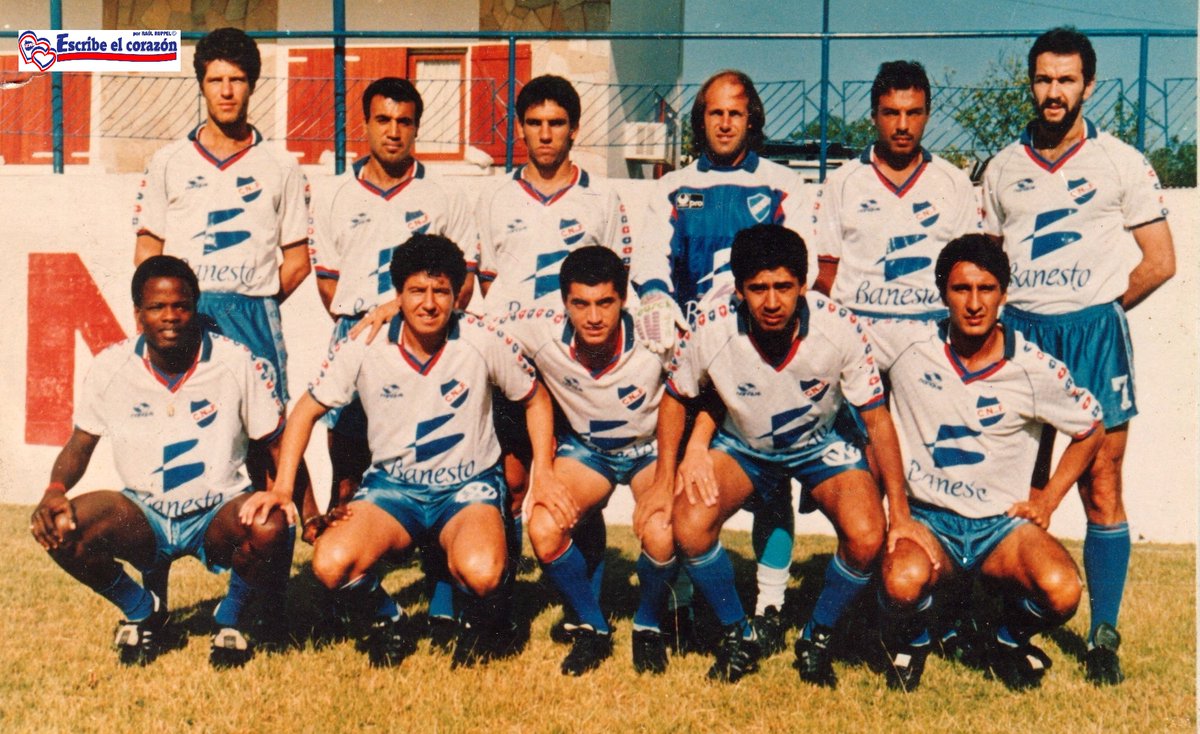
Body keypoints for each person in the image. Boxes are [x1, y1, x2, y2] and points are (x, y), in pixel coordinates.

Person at [981, 26, 1175, 685]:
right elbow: (985, 265)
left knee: (1100, 482)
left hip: (1093, 333)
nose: (1054, 91)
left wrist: (1102, 312)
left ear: (1088, 85)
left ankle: (1103, 633)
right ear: (1030, 84)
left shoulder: (1121, 161)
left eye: (1067, 79)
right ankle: (1003, 621)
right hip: (1024, 336)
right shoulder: (1002, 167)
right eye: (1043, 79)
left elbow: (1160, 263)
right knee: (1021, 485)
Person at [266, 234, 561, 668]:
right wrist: (283, 488)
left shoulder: (480, 338)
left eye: (440, 291)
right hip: (393, 490)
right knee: (329, 563)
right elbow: (306, 410)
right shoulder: (366, 342)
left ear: (457, 294)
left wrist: (546, 474)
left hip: (467, 488)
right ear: (398, 295)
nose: (428, 303)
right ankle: (390, 622)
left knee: (481, 571)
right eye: (416, 291)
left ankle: (485, 622)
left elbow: (534, 398)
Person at [650, 224, 927, 684]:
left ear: (802, 285)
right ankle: (740, 634)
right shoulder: (713, 327)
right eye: (758, 289)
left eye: (783, 287)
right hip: (745, 445)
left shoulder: (838, 326)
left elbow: (877, 419)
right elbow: (676, 397)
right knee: (690, 524)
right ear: (739, 290)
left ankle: (816, 635)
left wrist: (898, 510)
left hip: (820, 444)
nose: (772, 301)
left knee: (866, 533)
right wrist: (668, 477)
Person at [29, 255, 295, 669]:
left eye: (181, 305)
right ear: (138, 315)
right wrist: (53, 491)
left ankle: (230, 621)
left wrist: (301, 507)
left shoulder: (235, 361)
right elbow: (80, 443)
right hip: (144, 514)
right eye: (156, 307)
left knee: (269, 522)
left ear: (195, 306)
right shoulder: (111, 366)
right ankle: (143, 611)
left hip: (216, 512)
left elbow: (275, 443)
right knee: (60, 527)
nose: (170, 317)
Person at [869, 235, 1104, 691]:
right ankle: (914, 641)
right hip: (929, 521)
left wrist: (1050, 499)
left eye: (987, 289)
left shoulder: (1035, 368)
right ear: (942, 294)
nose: (974, 303)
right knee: (902, 581)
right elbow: (841, 334)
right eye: (961, 289)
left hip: (1000, 530)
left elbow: (1090, 428)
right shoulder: (907, 345)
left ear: (1004, 293)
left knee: (1062, 590)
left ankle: (1005, 638)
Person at [131, 28, 315, 600]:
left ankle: (268, 589)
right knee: (168, 433)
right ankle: (154, 578)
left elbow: (298, 261)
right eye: (216, 80)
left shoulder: (281, 166)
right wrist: (182, 310)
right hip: (183, 313)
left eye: (237, 80)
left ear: (252, 86)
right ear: (201, 85)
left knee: (268, 442)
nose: (227, 91)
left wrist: (251, 299)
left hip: (251, 314)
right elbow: (147, 249)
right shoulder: (167, 161)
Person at [637, 69, 815, 655]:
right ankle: (687, 606)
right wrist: (660, 302)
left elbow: (800, 269)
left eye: (736, 112)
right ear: (701, 119)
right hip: (694, 356)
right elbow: (652, 266)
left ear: (752, 118)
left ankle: (770, 602)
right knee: (692, 484)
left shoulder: (785, 185)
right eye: (714, 112)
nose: (724, 122)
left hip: (761, 359)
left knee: (773, 486)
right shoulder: (672, 186)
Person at [473, 74, 651, 636]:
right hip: (518, 359)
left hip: (576, 360)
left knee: (581, 482)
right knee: (512, 476)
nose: (545, 135)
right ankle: (499, 599)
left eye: (557, 124)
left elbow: (622, 277)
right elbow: (489, 280)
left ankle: (583, 606)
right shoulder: (496, 196)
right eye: (535, 123)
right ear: (519, 127)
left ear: (575, 129)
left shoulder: (602, 197)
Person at [308, 76, 479, 532]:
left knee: (429, 456)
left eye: (405, 121)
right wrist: (364, 326)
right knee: (346, 466)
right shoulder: (333, 194)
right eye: (383, 119)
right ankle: (347, 580)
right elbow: (328, 283)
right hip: (357, 337)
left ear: (417, 128)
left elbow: (463, 283)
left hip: (425, 341)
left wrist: (405, 316)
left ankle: (439, 568)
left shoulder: (446, 195)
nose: (393, 130)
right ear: (365, 123)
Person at [497, 246, 676, 675]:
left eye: (605, 303)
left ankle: (648, 626)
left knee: (662, 529)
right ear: (564, 303)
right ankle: (592, 627)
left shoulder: (658, 333)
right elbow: (467, 325)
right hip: (588, 452)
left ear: (624, 299)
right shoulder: (538, 328)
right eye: (580, 304)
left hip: (647, 450)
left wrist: (686, 463)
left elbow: (702, 384)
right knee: (542, 524)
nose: (593, 317)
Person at [812, 60, 980, 319]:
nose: (903, 125)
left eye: (913, 113)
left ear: (927, 114)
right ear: (874, 116)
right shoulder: (842, 182)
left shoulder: (954, 182)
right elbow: (825, 271)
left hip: (931, 327)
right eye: (891, 113)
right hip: (861, 324)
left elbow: (969, 272)